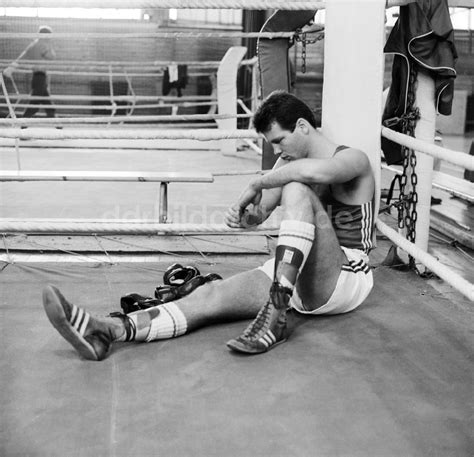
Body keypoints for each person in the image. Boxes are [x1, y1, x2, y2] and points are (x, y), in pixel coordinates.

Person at [42, 90, 376, 360]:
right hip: (293, 275)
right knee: (210, 294)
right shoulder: (288, 164)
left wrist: (260, 181)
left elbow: (311, 175)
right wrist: (245, 216)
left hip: (347, 276)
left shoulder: (352, 159)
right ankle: (106, 332)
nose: (276, 150)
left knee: (297, 187)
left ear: (303, 126)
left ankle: (276, 314)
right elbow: (259, 215)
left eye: (279, 141)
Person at [3, 25, 56, 118]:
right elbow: (51, 57)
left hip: (38, 78)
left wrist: (11, 68)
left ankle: (58, 125)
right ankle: (23, 125)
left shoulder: (33, 45)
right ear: (46, 35)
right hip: (40, 77)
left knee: (48, 105)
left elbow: (21, 58)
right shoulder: (43, 45)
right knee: (35, 105)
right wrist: (50, 45)